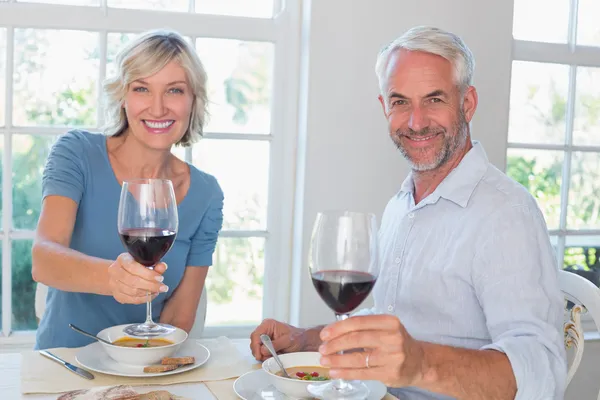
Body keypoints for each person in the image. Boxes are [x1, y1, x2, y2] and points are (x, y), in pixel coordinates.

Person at [250, 26, 566, 400]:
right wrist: (305, 338)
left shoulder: (506, 214)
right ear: (385, 106)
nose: (416, 122)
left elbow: (542, 373)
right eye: (400, 102)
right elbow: (396, 324)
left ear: (467, 103)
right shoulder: (403, 203)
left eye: (434, 99)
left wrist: (422, 364)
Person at [32, 29, 224, 350]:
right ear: (123, 96)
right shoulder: (77, 152)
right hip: (66, 364)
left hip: (145, 369)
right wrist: (112, 279)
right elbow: (44, 259)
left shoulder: (206, 193)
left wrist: (142, 370)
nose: (158, 108)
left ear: (193, 100)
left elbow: (179, 315)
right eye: (142, 89)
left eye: (175, 90)